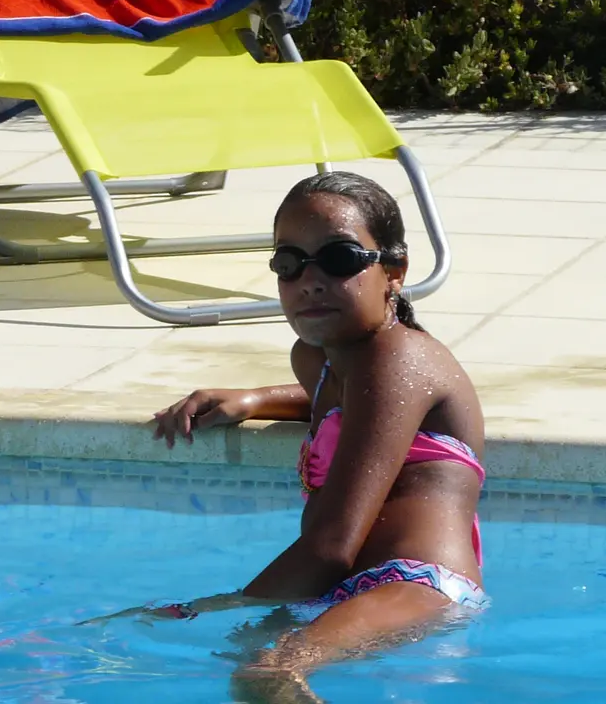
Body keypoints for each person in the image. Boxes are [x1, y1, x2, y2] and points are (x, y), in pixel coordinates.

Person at [89, 171, 487, 702]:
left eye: (340, 259)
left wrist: (219, 604)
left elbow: (333, 544)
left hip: (413, 584)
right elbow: (352, 407)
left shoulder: (401, 358)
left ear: (393, 270)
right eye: (289, 262)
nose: (310, 280)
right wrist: (254, 399)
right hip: (341, 591)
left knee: (265, 673)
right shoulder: (320, 362)